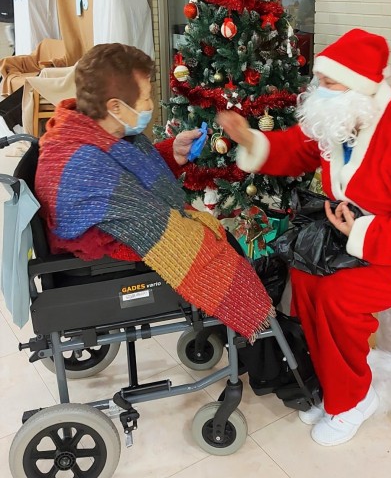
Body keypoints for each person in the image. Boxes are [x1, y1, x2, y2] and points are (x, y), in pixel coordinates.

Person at [218, 28, 391, 446]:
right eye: (320, 80)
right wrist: (252, 140)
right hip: (365, 228)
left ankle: (354, 400)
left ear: (361, 88)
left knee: (339, 297)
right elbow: (301, 147)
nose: (319, 90)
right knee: (305, 277)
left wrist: (360, 231)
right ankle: (331, 383)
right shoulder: (341, 116)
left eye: (330, 83)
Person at [35, 43, 272, 341]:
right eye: (145, 97)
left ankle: (243, 335)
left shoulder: (90, 129)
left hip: (108, 235)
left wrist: (173, 152)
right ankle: (258, 340)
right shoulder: (85, 165)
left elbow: (127, 174)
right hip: (98, 260)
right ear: (115, 107)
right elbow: (150, 220)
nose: (149, 105)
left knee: (221, 240)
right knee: (217, 247)